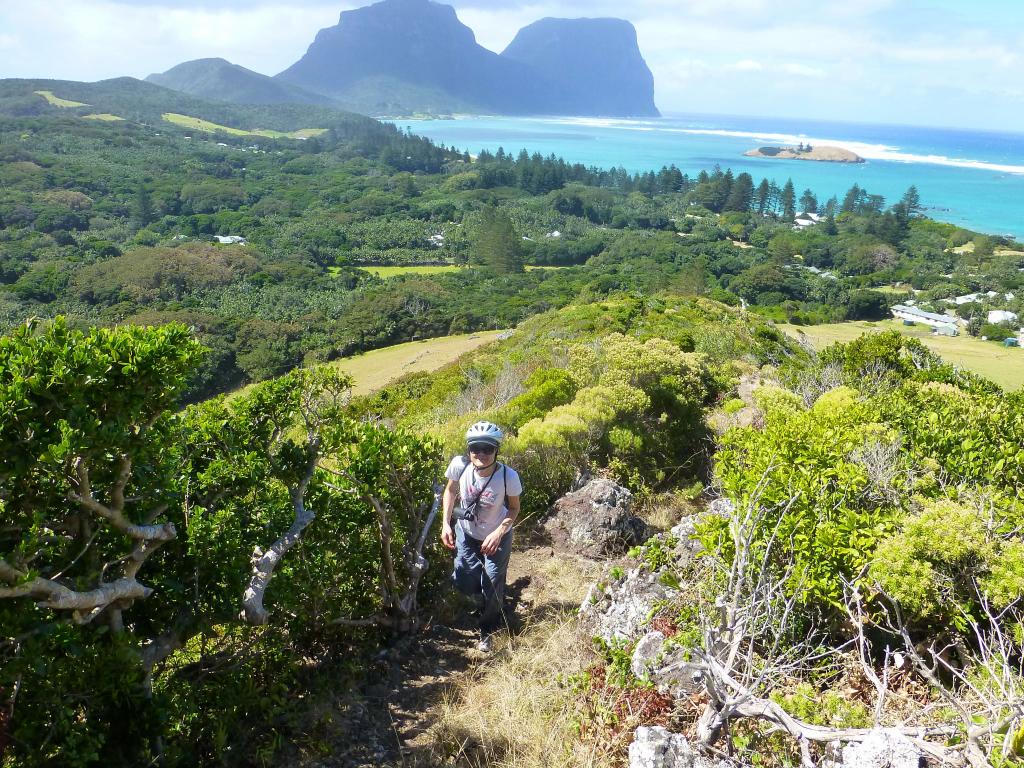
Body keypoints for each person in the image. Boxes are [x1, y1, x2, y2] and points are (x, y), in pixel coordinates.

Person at [441, 421, 522, 652]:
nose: (482, 454)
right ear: (468, 450)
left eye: (488, 448)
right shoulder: (459, 466)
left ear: (497, 450)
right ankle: (480, 602)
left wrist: (499, 532)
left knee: (493, 582)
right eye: (476, 448)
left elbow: (514, 508)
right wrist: (446, 524)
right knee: (465, 580)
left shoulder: (508, 476)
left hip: (497, 536)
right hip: (466, 533)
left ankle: (487, 627)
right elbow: (451, 490)